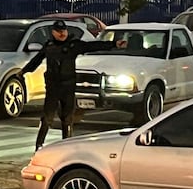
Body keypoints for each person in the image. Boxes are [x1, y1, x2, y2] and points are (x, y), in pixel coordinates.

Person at [19, 19, 125, 151]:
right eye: (58, 31)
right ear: (53, 32)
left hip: (68, 87)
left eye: (63, 30)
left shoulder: (73, 45)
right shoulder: (49, 46)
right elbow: (36, 60)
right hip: (53, 87)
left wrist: (114, 44)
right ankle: (39, 145)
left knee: (67, 118)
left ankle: (67, 145)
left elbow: (92, 46)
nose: (61, 33)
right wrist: (23, 71)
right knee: (47, 117)